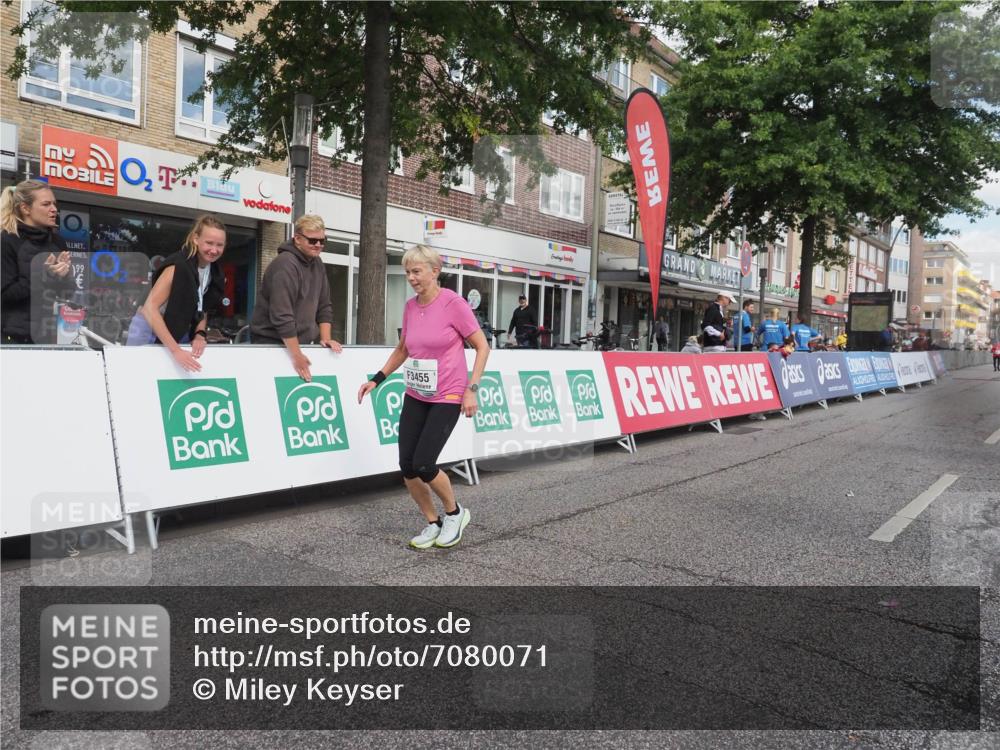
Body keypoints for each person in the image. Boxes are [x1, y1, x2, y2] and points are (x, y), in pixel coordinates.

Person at [358, 245, 490, 549]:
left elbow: (482, 346)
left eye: (416, 271)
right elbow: (403, 349)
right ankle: (433, 522)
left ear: (435, 271)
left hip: (448, 394)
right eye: (408, 272)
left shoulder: (453, 304)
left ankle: (455, 514)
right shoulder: (410, 306)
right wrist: (376, 379)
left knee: (424, 463)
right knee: (407, 465)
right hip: (417, 393)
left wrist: (472, 389)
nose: (411, 278)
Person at [129, 215, 227, 372]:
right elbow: (149, 309)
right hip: (149, 329)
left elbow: (202, 307)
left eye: (219, 245)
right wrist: (176, 351)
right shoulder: (178, 265)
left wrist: (200, 334)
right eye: (209, 243)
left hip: (179, 330)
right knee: (140, 376)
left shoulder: (214, 272)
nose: (214, 250)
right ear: (196, 239)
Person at [250, 214, 342, 381]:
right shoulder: (285, 264)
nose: (318, 245)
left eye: (322, 241)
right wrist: (296, 355)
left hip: (299, 344)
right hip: (271, 344)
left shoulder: (317, 264)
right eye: (312, 241)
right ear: (298, 239)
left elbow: (324, 305)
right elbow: (282, 314)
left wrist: (326, 339)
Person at [1, 180, 73, 344]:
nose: (54, 209)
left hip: (47, 335)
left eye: (54, 204)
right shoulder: (6, 241)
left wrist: (62, 277)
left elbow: (67, 294)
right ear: (25, 208)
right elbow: (5, 295)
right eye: (46, 204)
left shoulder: (58, 242)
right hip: (11, 338)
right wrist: (42, 275)